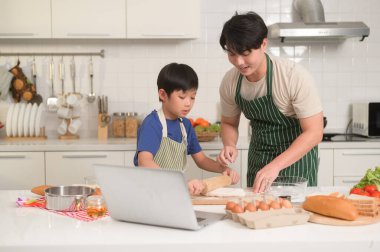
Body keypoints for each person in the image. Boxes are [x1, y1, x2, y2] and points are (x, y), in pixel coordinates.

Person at [217, 12, 324, 193]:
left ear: (263, 44)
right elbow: (229, 123)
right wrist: (229, 144)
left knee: (293, 214)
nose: (239, 62)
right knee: (256, 211)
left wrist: (276, 166)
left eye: (245, 53)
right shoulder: (230, 82)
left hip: (295, 161)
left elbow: (314, 132)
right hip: (259, 159)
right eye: (232, 54)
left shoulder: (292, 76)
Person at [134, 63, 240, 195]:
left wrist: (224, 169)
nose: (188, 103)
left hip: (175, 192)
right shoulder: (152, 123)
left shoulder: (185, 125)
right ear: (163, 94)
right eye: (182, 97)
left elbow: (201, 160)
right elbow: (144, 161)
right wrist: (181, 182)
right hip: (151, 193)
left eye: (192, 97)